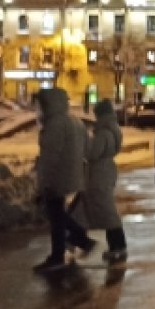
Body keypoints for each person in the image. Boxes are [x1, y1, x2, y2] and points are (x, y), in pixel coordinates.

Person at [31, 87, 90, 272]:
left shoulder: (54, 125)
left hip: (57, 177)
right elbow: (87, 149)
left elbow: (50, 158)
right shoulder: (75, 122)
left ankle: (75, 245)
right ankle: (72, 245)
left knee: (56, 215)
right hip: (72, 175)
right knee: (58, 215)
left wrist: (43, 184)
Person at [71, 99, 127, 263]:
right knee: (85, 208)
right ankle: (75, 239)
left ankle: (117, 245)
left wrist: (84, 144)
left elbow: (92, 153)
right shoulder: (111, 130)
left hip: (99, 174)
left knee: (105, 211)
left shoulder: (104, 133)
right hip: (102, 172)